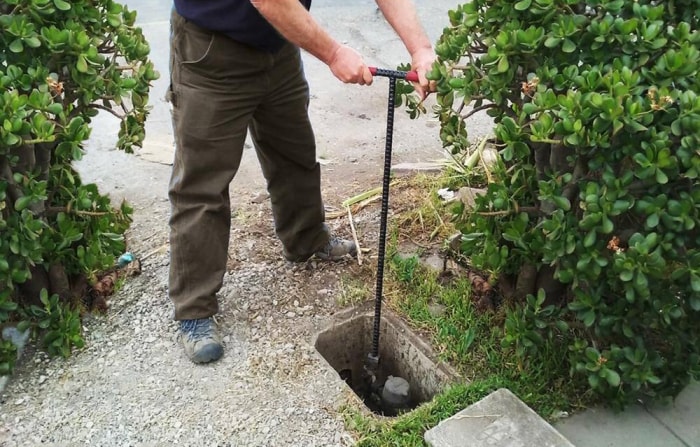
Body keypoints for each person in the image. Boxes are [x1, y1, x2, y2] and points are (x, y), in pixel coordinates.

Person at [168, 0, 436, 364]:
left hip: (278, 44)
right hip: (211, 48)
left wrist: (420, 48)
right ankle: (194, 309)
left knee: (294, 154)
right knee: (203, 185)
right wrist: (334, 52)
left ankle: (306, 240)